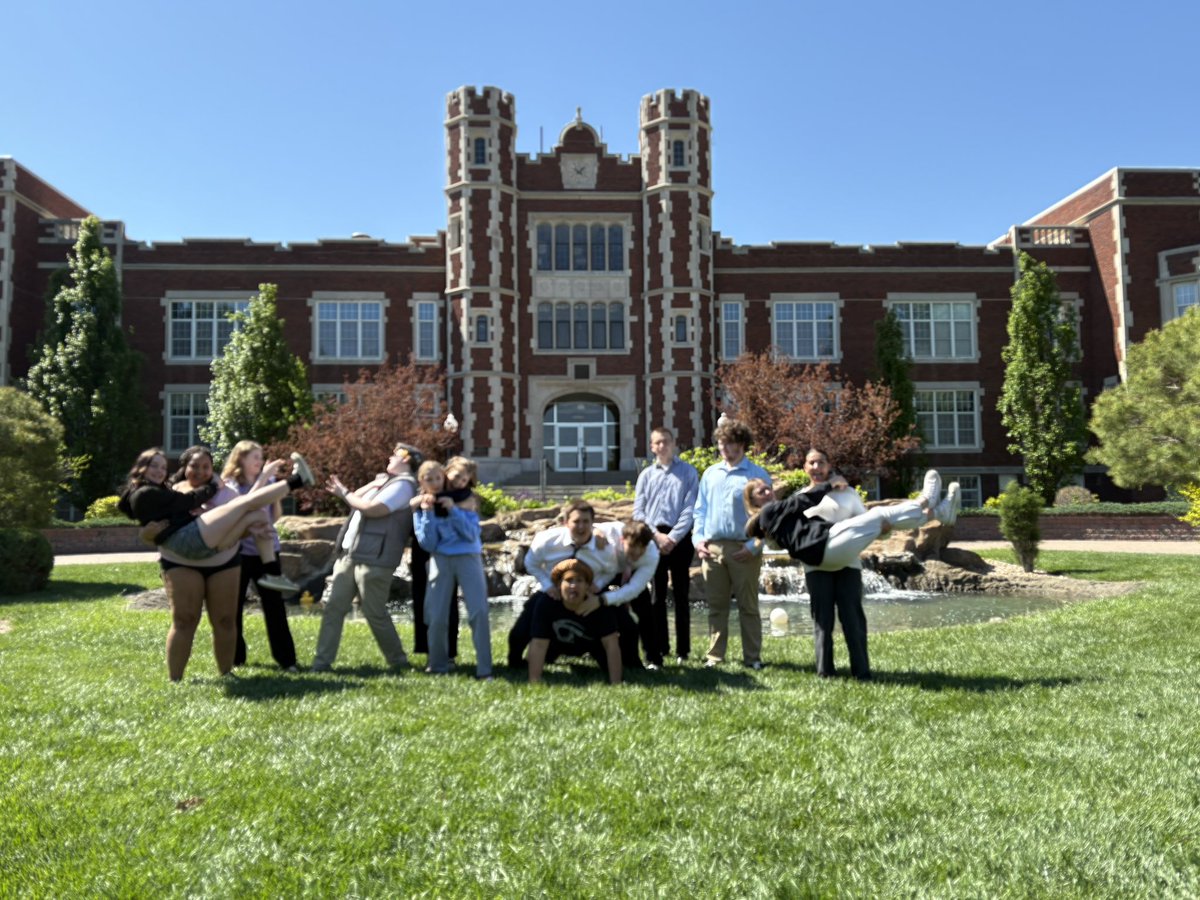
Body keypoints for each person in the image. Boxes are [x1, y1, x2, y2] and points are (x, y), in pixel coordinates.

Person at [745, 448, 960, 680]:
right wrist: (829, 486)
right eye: (811, 463)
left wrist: (883, 533)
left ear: (828, 465)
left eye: (821, 462)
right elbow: (790, 524)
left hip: (842, 553)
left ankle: (861, 671)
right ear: (805, 468)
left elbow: (865, 523)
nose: (768, 491)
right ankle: (928, 505)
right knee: (823, 620)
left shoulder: (846, 494)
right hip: (821, 556)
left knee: (853, 617)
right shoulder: (791, 501)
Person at [120, 445, 311, 681]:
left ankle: (227, 670)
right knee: (185, 619)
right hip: (185, 552)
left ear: (213, 469)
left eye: (205, 467)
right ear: (184, 468)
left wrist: (242, 530)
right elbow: (172, 510)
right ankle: (296, 481)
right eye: (194, 466)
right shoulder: (164, 491)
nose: (199, 471)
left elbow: (247, 516)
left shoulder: (213, 491)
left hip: (219, 556)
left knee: (225, 619)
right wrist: (147, 534)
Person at [311, 442, 423, 672]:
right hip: (351, 555)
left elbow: (373, 509)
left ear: (408, 460)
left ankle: (398, 662)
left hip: (376, 558)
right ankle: (321, 664)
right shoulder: (387, 483)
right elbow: (355, 500)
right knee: (334, 608)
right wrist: (372, 483)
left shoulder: (404, 486)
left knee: (374, 612)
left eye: (396, 454)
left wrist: (345, 493)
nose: (391, 456)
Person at [692, 419, 772, 669]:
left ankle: (753, 658)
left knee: (748, 607)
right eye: (722, 443)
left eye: (732, 443)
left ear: (743, 444)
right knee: (716, 607)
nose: (726, 448)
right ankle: (715, 656)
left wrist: (755, 546)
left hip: (744, 549)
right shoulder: (710, 474)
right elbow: (700, 510)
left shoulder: (757, 475)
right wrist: (698, 539)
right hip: (713, 549)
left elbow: (769, 516)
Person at [506, 499, 620, 668]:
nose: (581, 527)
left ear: (592, 523)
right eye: (576, 522)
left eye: (585, 522)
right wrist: (548, 586)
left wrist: (598, 584)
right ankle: (515, 662)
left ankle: (630, 663)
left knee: (626, 624)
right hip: (553, 593)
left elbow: (611, 570)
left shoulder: (604, 548)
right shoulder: (547, 540)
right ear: (566, 523)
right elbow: (531, 563)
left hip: (588, 595)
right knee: (521, 629)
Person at [411, 457, 493, 680]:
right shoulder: (422, 506)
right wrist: (428, 513)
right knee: (436, 615)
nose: (458, 481)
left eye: (464, 478)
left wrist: (454, 511)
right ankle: (438, 665)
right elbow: (427, 544)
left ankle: (485, 669)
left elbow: (470, 534)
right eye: (455, 476)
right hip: (440, 559)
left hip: (468, 557)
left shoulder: (465, 500)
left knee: (478, 612)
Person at [223, 440, 300, 673]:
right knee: (233, 608)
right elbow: (244, 506)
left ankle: (287, 660)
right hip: (239, 553)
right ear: (240, 459)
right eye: (254, 457)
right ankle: (236, 658)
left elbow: (274, 516)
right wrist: (265, 479)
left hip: (267, 551)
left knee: (274, 605)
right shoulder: (231, 484)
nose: (259, 461)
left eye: (260, 456)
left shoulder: (269, 482)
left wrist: (273, 491)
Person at [633, 427, 699, 666]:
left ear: (674, 444)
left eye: (666, 442)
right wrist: (656, 536)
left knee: (681, 596)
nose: (662, 446)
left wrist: (673, 537)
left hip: (679, 541)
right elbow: (638, 511)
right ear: (652, 447)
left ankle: (683, 651)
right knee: (656, 597)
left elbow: (690, 509)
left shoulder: (688, 473)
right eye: (657, 443)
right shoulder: (646, 476)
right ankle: (660, 647)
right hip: (652, 541)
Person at [527, 559, 622, 685]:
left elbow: (611, 644)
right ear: (559, 585)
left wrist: (616, 683)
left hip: (594, 646)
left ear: (588, 586)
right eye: (569, 580)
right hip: (555, 644)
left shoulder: (600, 606)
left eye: (579, 581)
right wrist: (534, 682)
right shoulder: (546, 604)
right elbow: (539, 644)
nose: (573, 585)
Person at [591, 518, 661, 668]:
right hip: (609, 576)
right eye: (632, 546)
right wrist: (595, 531)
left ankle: (654, 659)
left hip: (633, 577)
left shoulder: (652, 555)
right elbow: (589, 526)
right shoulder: (613, 530)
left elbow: (633, 589)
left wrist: (603, 599)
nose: (637, 552)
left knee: (645, 612)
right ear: (622, 539)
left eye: (642, 547)